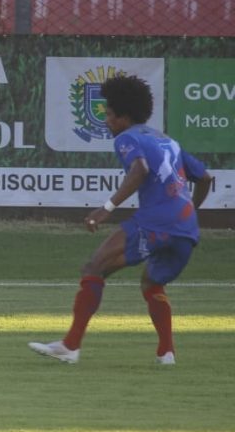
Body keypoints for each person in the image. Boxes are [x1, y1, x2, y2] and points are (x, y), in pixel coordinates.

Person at [29, 74, 213, 365]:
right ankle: (167, 352)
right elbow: (205, 178)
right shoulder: (167, 140)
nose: (107, 122)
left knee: (94, 267)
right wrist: (191, 213)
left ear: (125, 117)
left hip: (155, 222)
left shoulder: (128, 138)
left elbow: (139, 170)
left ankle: (70, 346)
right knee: (152, 283)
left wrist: (107, 207)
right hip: (186, 229)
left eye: (110, 115)